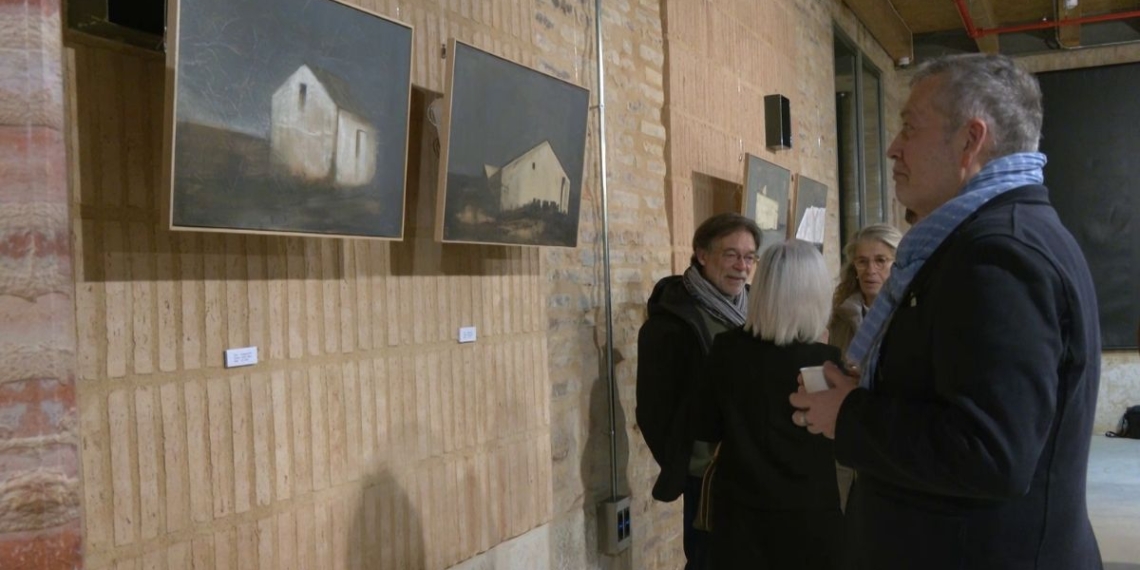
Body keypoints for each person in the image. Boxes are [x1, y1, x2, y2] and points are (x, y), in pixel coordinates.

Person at [789, 53, 1103, 569]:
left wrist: (848, 415)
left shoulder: (999, 254)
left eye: (910, 127)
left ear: (970, 140)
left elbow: (990, 452)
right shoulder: (995, 237)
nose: (893, 148)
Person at [703, 239, 844, 569]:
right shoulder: (825, 362)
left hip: (740, 513)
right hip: (811, 515)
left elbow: (704, 423)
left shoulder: (726, 349)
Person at [636, 212, 762, 570]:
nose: (742, 266)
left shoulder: (759, 309)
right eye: (731, 254)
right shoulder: (671, 323)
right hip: (709, 476)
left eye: (749, 256)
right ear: (702, 255)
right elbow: (653, 410)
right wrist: (689, 461)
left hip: (758, 467)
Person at [827, 224, 903, 357]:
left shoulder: (910, 313)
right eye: (862, 262)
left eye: (880, 261)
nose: (870, 270)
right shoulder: (839, 317)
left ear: (898, 264)